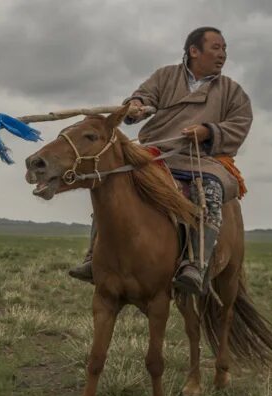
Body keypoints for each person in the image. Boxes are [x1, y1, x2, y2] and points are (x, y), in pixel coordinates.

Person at [68, 27, 252, 294]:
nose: (222, 54)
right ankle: (93, 256)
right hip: (156, 152)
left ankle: (195, 265)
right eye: (216, 47)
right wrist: (136, 105)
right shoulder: (165, 76)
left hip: (202, 158)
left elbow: (240, 124)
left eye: (224, 49)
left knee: (209, 193)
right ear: (194, 51)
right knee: (112, 183)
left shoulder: (232, 91)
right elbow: (144, 96)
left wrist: (208, 131)